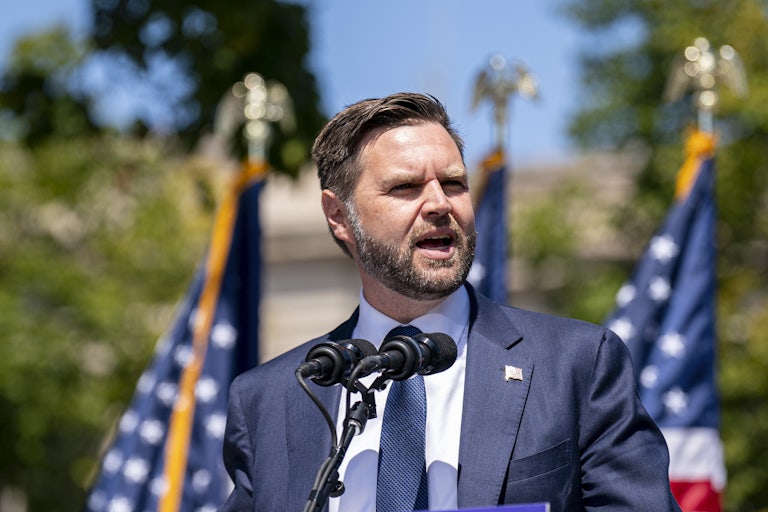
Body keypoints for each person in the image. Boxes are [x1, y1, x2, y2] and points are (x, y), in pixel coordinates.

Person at [219, 92, 681, 511]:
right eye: (406, 187)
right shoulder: (270, 397)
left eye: (454, 183)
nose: (440, 203)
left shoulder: (576, 364)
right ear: (339, 216)